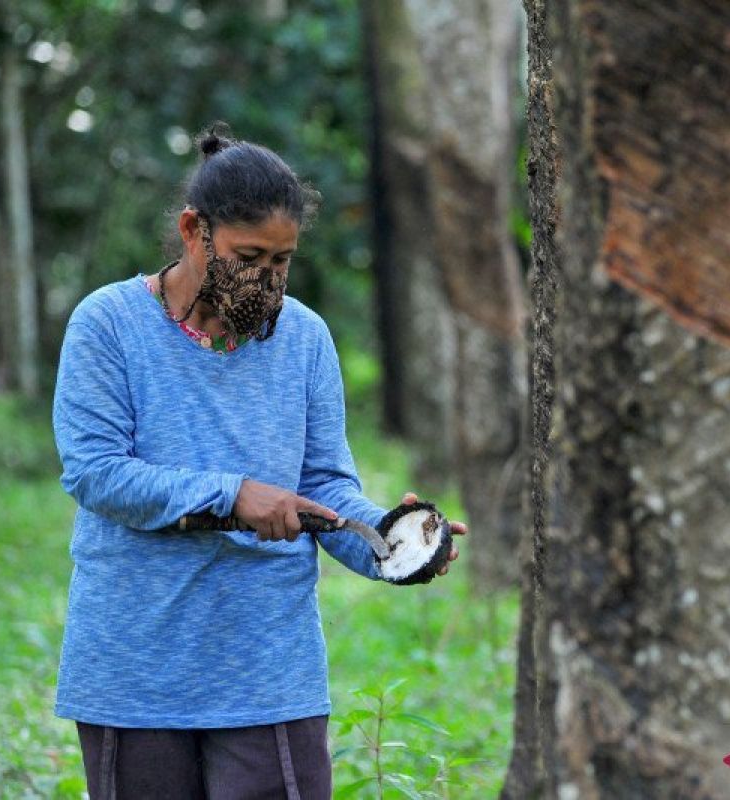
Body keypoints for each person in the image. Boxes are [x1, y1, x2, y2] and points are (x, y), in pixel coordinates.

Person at [51, 123, 466, 799]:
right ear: (194, 231)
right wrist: (234, 495)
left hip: (268, 665)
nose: (267, 279)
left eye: (282, 262)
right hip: (135, 662)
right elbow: (95, 472)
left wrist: (390, 541)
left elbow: (326, 484)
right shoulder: (108, 325)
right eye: (250, 256)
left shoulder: (304, 338)